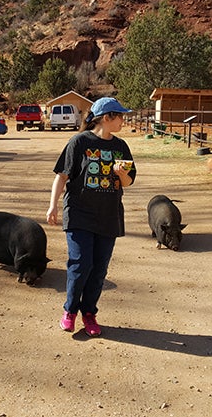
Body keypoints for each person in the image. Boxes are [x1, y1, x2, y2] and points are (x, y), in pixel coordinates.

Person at [46, 97, 136, 337]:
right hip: (79, 214)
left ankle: (89, 314)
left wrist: (120, 174)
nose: (123, 121)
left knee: (98, 269)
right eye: (120, 116)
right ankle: (70, 311)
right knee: (80, 264)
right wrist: (52, 205)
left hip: (108, 217)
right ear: (107, 118)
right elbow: (62, 176)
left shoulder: (121, 147)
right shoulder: (79, 142)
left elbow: (127, 182)